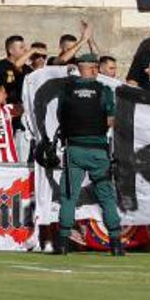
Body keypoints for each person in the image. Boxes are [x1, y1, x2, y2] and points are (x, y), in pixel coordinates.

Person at [53, 54, 122, 256]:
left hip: (74, 150)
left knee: (69, 196)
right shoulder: (104, 91)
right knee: (106, 197)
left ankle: (63, 243)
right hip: (98, 151)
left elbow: (61, 116)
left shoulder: (67, 91)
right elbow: (110, 120)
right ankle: (116, 242)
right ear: (93, 69)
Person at [0, 35, 31, 118]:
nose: (25, 50)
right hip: (2, 112)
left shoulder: (27, 69)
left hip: (23, 113)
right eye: (21, 47)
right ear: (11, 51)